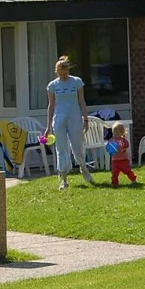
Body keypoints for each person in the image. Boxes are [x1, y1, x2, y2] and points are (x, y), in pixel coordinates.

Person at [43, 55, 94, 190]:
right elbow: (51, 106)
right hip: (59, 118)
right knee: (61, 148)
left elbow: (82, 101)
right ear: (57, 72)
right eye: (61, 74)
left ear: (68, 71)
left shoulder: (77, 82)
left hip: (75, 116)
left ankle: (83, 167)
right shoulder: (53, 85)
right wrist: (48, 127)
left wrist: (86, 119)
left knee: (77, 145)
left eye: (65, 73)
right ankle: (64, 178)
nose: (63, 76)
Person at [108, 122, 137, 187]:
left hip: (123, 160)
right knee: (114, 173)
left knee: (128, 171)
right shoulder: (112, 140)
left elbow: (126, 145)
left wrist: (124, 148)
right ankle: (114, 183)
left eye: (117, 134)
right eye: (114, 133)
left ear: (122, 133)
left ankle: (133, 179)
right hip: (115, 160)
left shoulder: (122, 140)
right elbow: (109, 146)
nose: (116, 135)